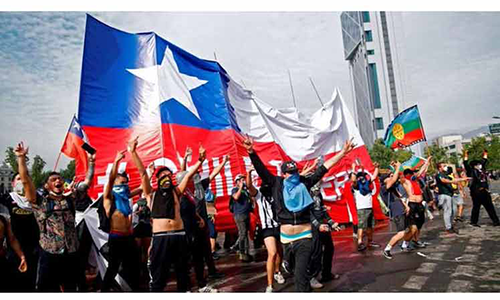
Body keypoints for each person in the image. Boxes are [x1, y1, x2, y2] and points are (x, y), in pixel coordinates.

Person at [244, 135, 355, 292]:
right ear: (283, 174)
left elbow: (324, 168)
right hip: (286, 238)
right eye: (290, 173)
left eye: (295, 172)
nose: (293, 175)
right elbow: (261, 169)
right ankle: (288, 265)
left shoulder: (304, 183)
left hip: (304, 237)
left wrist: (343, 153)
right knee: (293, 268)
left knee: (300, 276)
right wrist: (251, 151)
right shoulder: (276, 184)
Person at [14, 142, 79, 291]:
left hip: (71, 252)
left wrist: (91, 161)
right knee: (47, 288)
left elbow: (86, 183)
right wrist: (21, 158)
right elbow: (25, 180)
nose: (58, 181)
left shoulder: (69, 200)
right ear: (46, 186)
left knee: (71, 287)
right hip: (50, 254)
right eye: (53, 179)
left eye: (59, 179)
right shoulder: (40, 202)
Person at [144, 144, 207, 292]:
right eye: (163, 175)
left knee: (183, 273)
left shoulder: (176, 191)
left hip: (179, 236)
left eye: (168, 175)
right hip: (161, 237)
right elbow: (142, 174)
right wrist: (133, 152)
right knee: (159, 273)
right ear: (157, 178)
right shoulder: (151, 194)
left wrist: (200, 160)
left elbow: (189, 175)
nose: (166, 177)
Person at [101, 138, 144, 291]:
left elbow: (141, 187)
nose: (124, 186)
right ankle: (104, 291)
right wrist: (116, 161)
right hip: (116, 238)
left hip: (129, 237)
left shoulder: (126, 197)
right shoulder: (109, 198)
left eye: (126, 183)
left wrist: (149, 173)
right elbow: (111, 179)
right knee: (112, 268)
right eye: (121, 183)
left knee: (134, 266)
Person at [180, 148, 226, 286]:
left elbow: (213, 173)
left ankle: (211, 272)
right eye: (195, 174)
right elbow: (183, 174)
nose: (197, 176)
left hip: (203, 221)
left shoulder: (200, 185)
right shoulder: (184, 189)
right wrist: (185, 158)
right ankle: (190, 276)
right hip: (191, 224)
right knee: (193, 252)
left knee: (206, 248)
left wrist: (224, 162)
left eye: (198, 174)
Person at [246, 167, 285, 292]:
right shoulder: (258, 195)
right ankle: (269, 285)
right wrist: (249, 173)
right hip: (267, 228)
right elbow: (249, 186)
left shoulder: (276, 193)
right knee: (272, 253)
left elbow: (287, 181)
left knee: (279, 252)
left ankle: (277, 271)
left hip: (278, 225)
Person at [0, 172, 40, 291]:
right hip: (14, 249)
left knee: (31, 280)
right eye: (19, 179)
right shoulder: (6, 199)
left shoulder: (38, 200)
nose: (22, 181)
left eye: (26, 179)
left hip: (35, 247)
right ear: (13, 183)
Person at [306, 159, 341, 289]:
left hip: (323, 223)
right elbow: (307, 213)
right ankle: (312, 277)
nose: (320, 181)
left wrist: (331, 222)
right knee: (316, 251)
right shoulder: (307, 193)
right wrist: (317, 225)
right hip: (313, 225)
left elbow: (322, 210)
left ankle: (326, 273)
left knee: (329, 247)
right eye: (318, 179)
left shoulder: (318, 193)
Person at [73, 153, 96, 291]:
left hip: (88, 229)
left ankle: (87, 284)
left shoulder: (88, 200)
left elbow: (88, 179)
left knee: (89, 256)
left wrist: (91, 163)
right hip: (76, 232)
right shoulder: (68, 199)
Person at [381, 161, 412, 259]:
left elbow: (400, 198)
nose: (391, 177)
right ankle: (387, 249)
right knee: (401, 232)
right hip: (396, 212)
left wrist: (406, 206)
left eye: (391, 175)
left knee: (411, 228)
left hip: (401, 209)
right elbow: (394, 179)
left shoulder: (393, 188)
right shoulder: (384, 187)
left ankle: (404, 245)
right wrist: (398, 167)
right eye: (389, 176)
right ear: (384, 179)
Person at [464, 150, 500, 227]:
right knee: (477, 207)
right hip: (476, 192)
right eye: (478, 164)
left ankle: (496, 221)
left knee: (489, 206)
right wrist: (466, 155)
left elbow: (484, 161)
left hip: (484, 191)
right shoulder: (471, 171)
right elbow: (465, 164)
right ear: (474, 166)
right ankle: (474, 222)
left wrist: (485, 154)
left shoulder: (481, 170)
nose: (480, 165)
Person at [350, 161, 379, 251]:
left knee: (370, 226)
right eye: (361, 176)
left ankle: (370, 241)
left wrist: (377, 167)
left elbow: (374, 177)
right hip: (361, 209)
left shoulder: (366, 184)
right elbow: (353, 180)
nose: (363, 178)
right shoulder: (356, 186)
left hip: (369, 207)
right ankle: (360, 243)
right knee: (361, 226)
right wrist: (353, 169)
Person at [435, 162, 469, 235]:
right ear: (439, 168)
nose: (446, 167)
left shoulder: (446, 175)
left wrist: (463, 179)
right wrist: (453, 181)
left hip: (450, 195)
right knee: (447, 212)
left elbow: (455, 179)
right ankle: (448, 228)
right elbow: (444, 181)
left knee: (452, 211)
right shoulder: (439, 175)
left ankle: (450, 226)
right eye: (444, 166)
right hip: (444, 195)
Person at [230, 172, 255, 262]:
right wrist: (240, 187)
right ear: (236, 182)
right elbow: (236, 197)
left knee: (245, 233)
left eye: (243, 180)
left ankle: (246, 253)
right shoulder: (235, 189)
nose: (242, 181)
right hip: (239, 215)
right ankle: (242, 253)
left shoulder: (245, 190)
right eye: (240, 180)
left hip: (246, 213)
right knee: (242, 233)